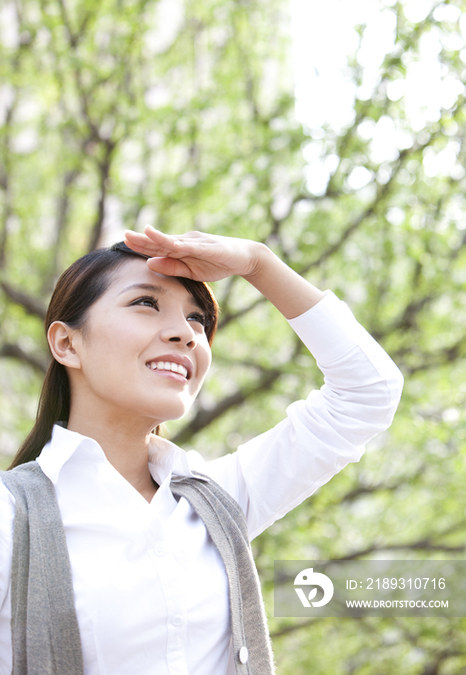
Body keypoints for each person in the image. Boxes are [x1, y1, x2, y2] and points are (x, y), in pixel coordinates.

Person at [0, 226, 403, 675]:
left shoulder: (215, 503)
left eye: (198, 320)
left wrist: (257, 263)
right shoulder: (13, 515)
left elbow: (368, 393)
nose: (186, 334)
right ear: (67, 343)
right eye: (145, 303)